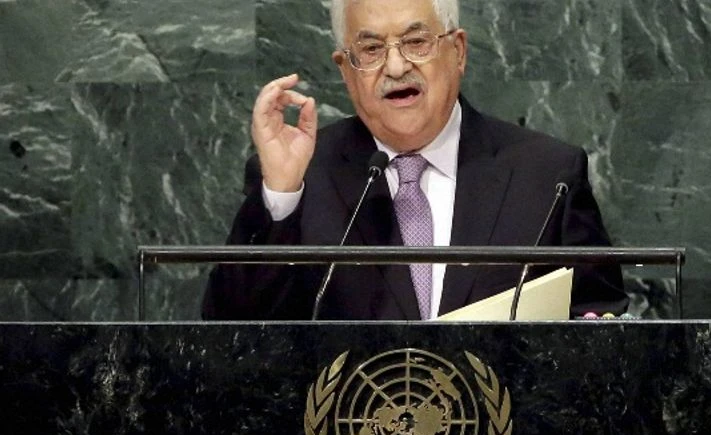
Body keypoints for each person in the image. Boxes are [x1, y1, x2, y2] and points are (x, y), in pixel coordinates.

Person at [202, 0, 627, 320]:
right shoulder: (302, 175)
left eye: (416, 42)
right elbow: (229, 332)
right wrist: (281, 194)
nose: (396, 65)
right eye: (369, 49)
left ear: (458, 51)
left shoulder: (548, 175)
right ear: (345, 70)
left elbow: (598, 319)